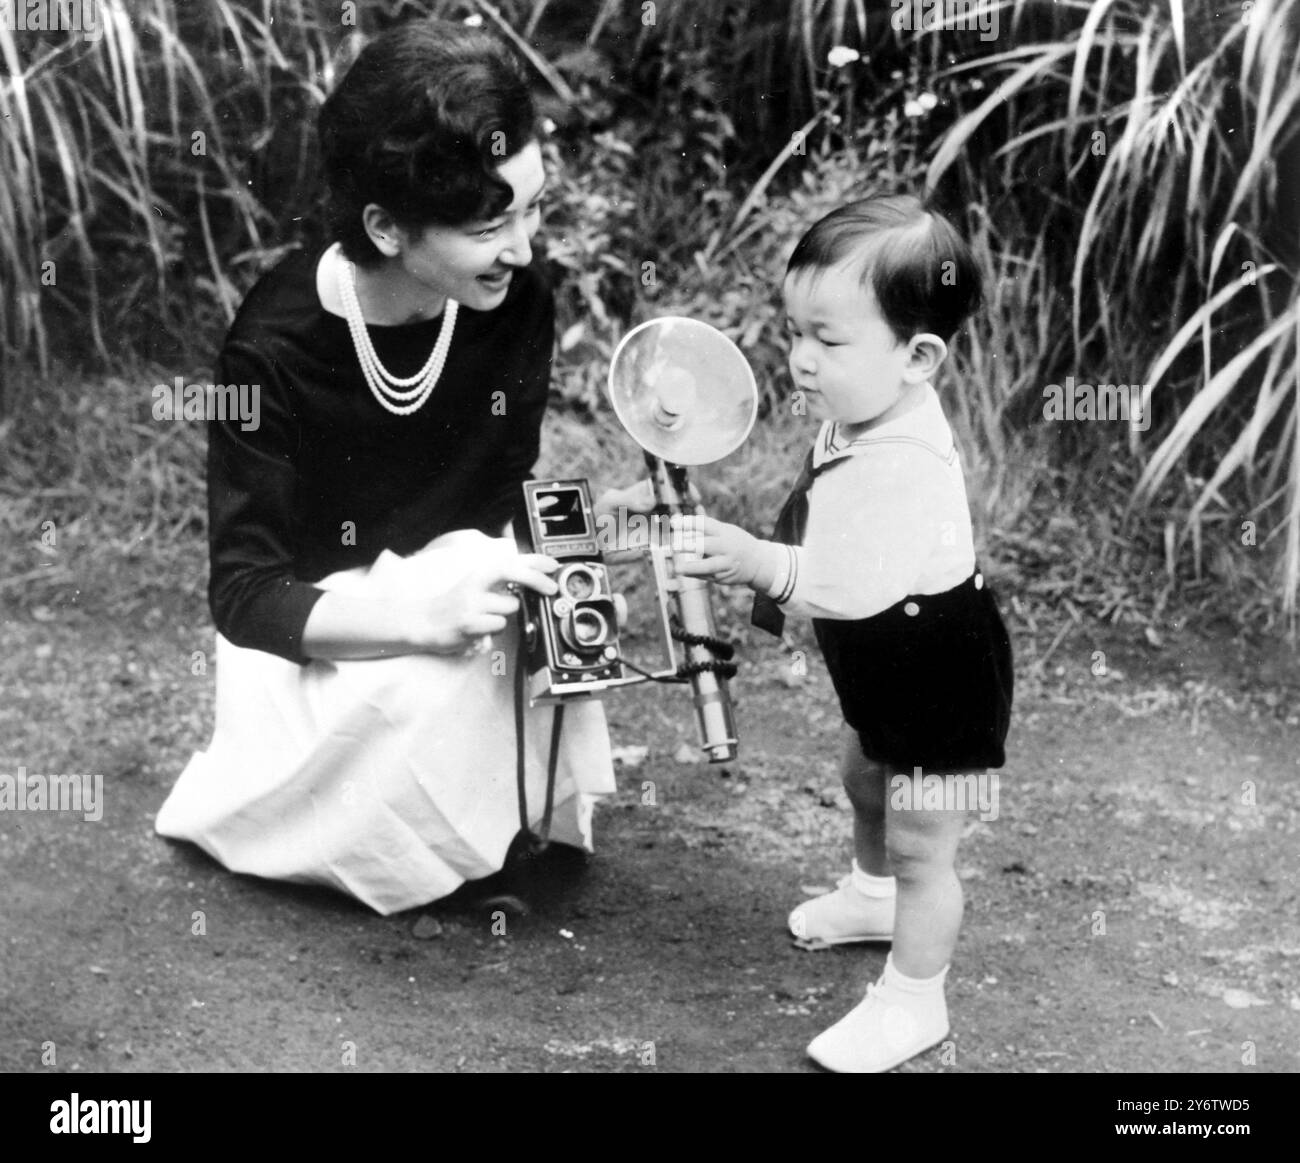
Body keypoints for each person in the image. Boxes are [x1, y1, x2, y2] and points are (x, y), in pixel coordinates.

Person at [155, 18, 615, 915]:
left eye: (533, 210)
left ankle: (487, 832)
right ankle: (401, 843)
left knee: (523, 610)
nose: (523, 248)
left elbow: (504, 498)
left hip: (451, 586)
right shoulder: (271, 347)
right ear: (386, 225)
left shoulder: (517, 301)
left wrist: (577, 578)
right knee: (435, 667)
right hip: (321, 645)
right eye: (491, 225)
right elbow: (247, 596)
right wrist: (415, 619)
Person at [671, 194, 1014, 1072]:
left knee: (922, 838)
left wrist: (756, 561)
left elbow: (845, 585)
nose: (801, 359)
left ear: (919, 355)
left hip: (944, 674)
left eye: (828, 340)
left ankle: (914, 999)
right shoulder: (868, 410)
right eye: (795, 332)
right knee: (864, 771)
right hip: (884, 660)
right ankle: (871, 898)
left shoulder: (901, 461)